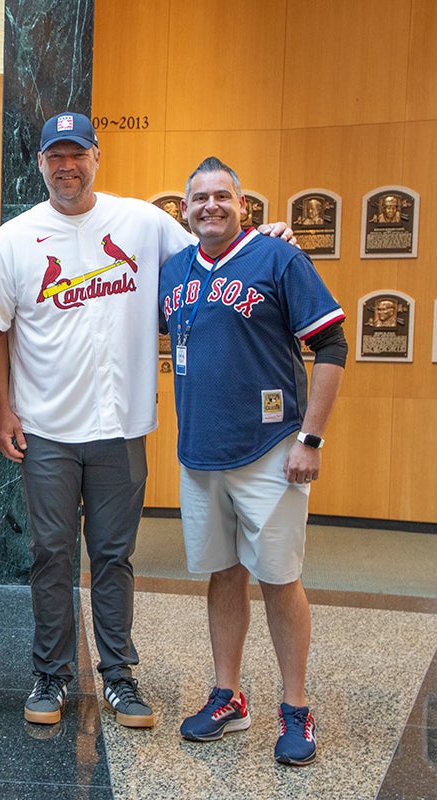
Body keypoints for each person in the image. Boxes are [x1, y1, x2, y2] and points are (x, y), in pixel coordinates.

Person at [0, 113, 297, 730]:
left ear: (96, 157)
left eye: (77, 154)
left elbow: (221, 257)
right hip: (45, 427)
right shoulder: (13, 239)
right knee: (49, 555)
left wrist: (269, 239)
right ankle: (50, 675)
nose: (66, 166)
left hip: (122, 426)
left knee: (113, 556)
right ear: (42, 163)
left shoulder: (143, 223)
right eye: (55, 156)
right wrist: (2, 410)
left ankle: (119, 677)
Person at [159, 156, 346, 767]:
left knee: (278, 578)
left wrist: (310, 440)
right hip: (201, 454)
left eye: (222, 196)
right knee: (222, 573)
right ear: (184, 210)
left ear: (244, 206)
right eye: (199, 199)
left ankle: (295, 708)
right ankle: (228, 695)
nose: (210, 206)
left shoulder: (279, 258)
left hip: (272, 452)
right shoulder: (174, 269)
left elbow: (332, 344)